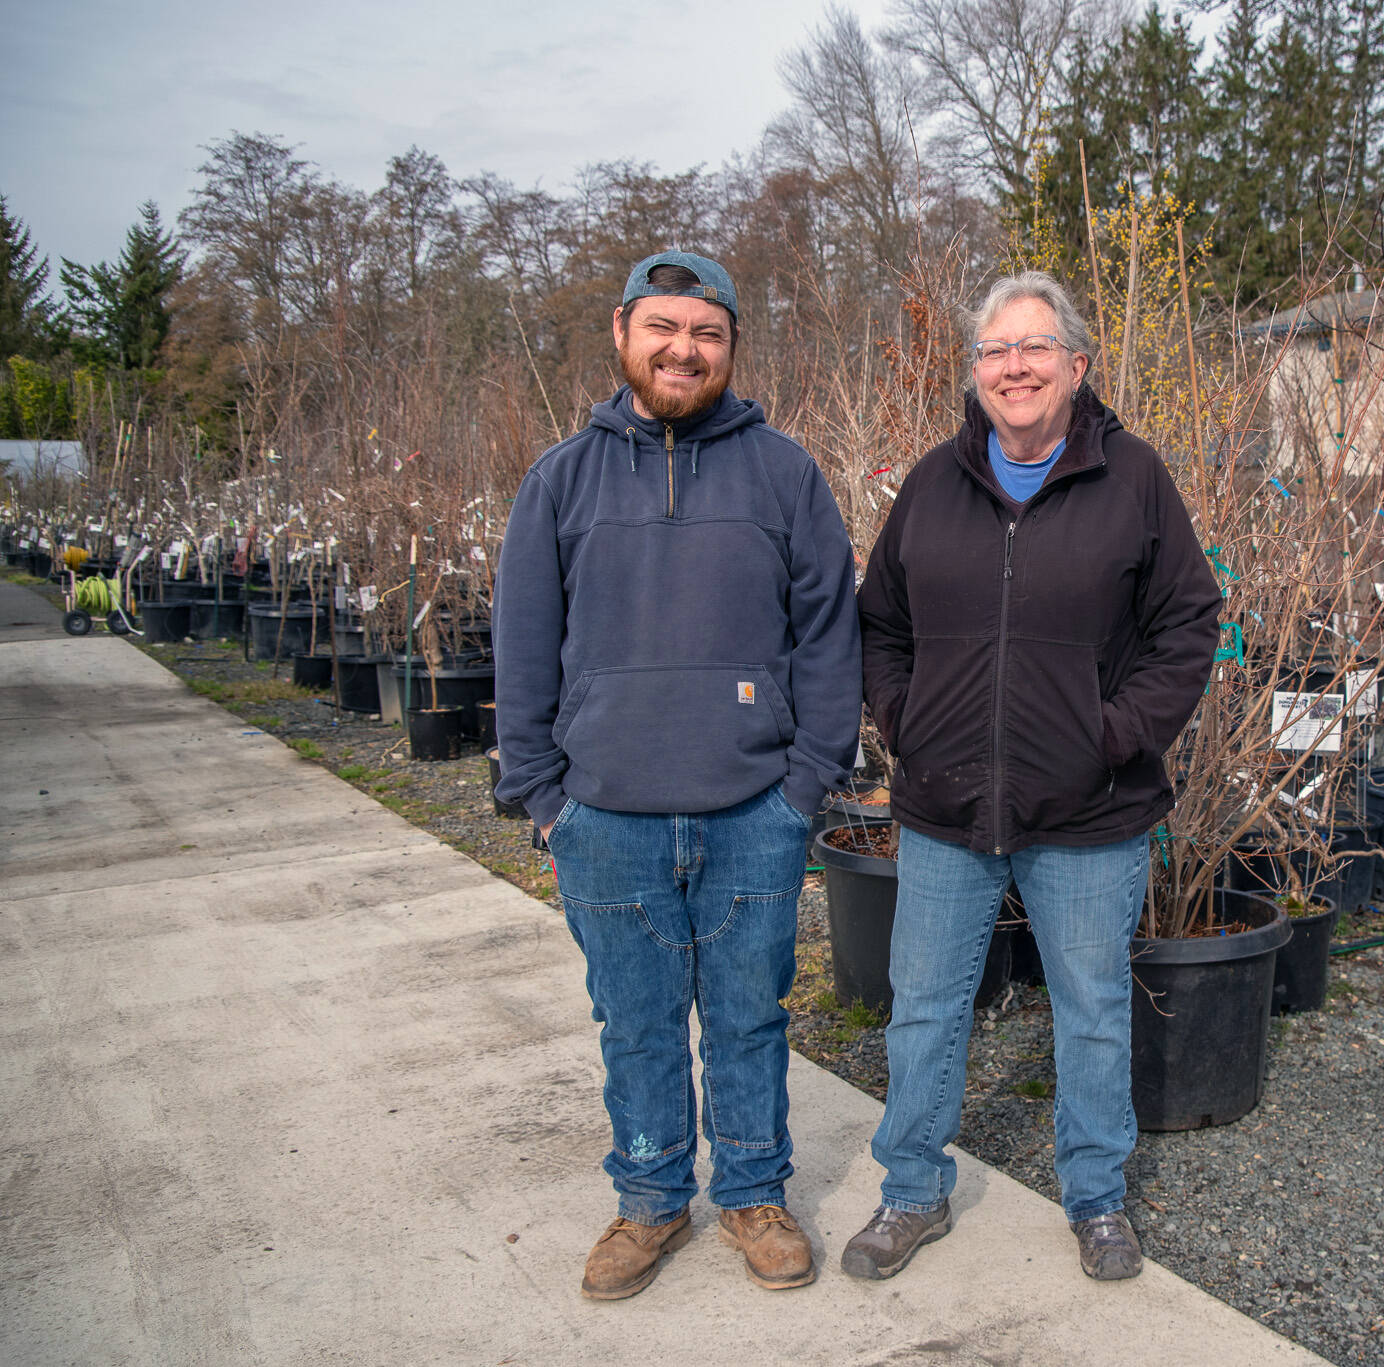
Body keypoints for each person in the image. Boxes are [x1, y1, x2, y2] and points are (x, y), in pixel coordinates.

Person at [494, 251, 861, 1299]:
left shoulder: (782, 473)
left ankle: (751, 1189)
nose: (681, 348)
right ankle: (649, 1198)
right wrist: (542, 795)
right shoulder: (562, 477)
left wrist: (804, 786)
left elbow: (829, 636)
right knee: (635, 1017)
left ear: (729, 346)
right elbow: (522, 641)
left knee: (747, 1012)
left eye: (705, 332)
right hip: (603, 816)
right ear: (621, 333)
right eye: (663, 327)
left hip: (754, 809)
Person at [843, 271, 1221, 1282]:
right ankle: (910, 1189)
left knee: (1090, 1006)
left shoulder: (1133, 478)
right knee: (922, 1001)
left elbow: (1189, 623)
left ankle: (1096, 1198)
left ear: (1075, 364)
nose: (1014, 365)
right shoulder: (932, 483)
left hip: (1090, 811)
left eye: (1035, 346)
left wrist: (1115, 733)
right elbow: (877, 620)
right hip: (944, 804)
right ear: (974, 374)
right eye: (995, 351)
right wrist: (903, 719)